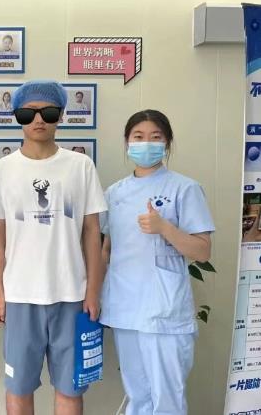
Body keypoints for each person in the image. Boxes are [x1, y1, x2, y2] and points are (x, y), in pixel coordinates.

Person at [0, 80, 107, 415]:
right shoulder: (2, 170)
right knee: (18, 387)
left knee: (70, 388)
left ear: (61, 115)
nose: (39, 119)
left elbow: (92, 231)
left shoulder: (80, 166)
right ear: (17, 117)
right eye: (28, 113)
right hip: (19, 296)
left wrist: (92, 292)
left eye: (48, 112)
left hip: (72, 295)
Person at [100, 110, 214, 415]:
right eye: (138, 137)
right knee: (137, 397)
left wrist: (165, 228)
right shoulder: (114, 193)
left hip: (164, 312)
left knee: (167, 401)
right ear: (127, 142)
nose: (146, 143)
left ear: (167, 143)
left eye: (155, 137)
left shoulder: (184, 188)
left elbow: (203, 251)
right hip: (125, 308)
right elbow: (107, 249)